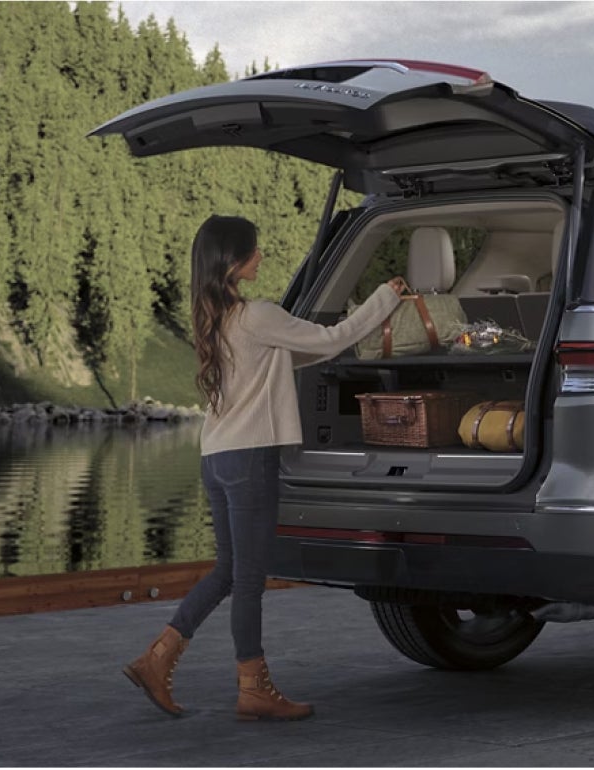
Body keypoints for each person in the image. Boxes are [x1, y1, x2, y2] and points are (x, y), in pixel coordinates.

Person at [123, 215, 404, 720]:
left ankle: (158, 657)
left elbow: (279, 360)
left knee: (231, 570)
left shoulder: (217, 317)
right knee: (249, 579)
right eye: (254, 251)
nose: (261, 256)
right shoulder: (259, 313)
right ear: (234, 261)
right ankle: (252, 688)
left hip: (217, 457)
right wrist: (386, 297)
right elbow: (329, 339)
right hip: (251, 458)